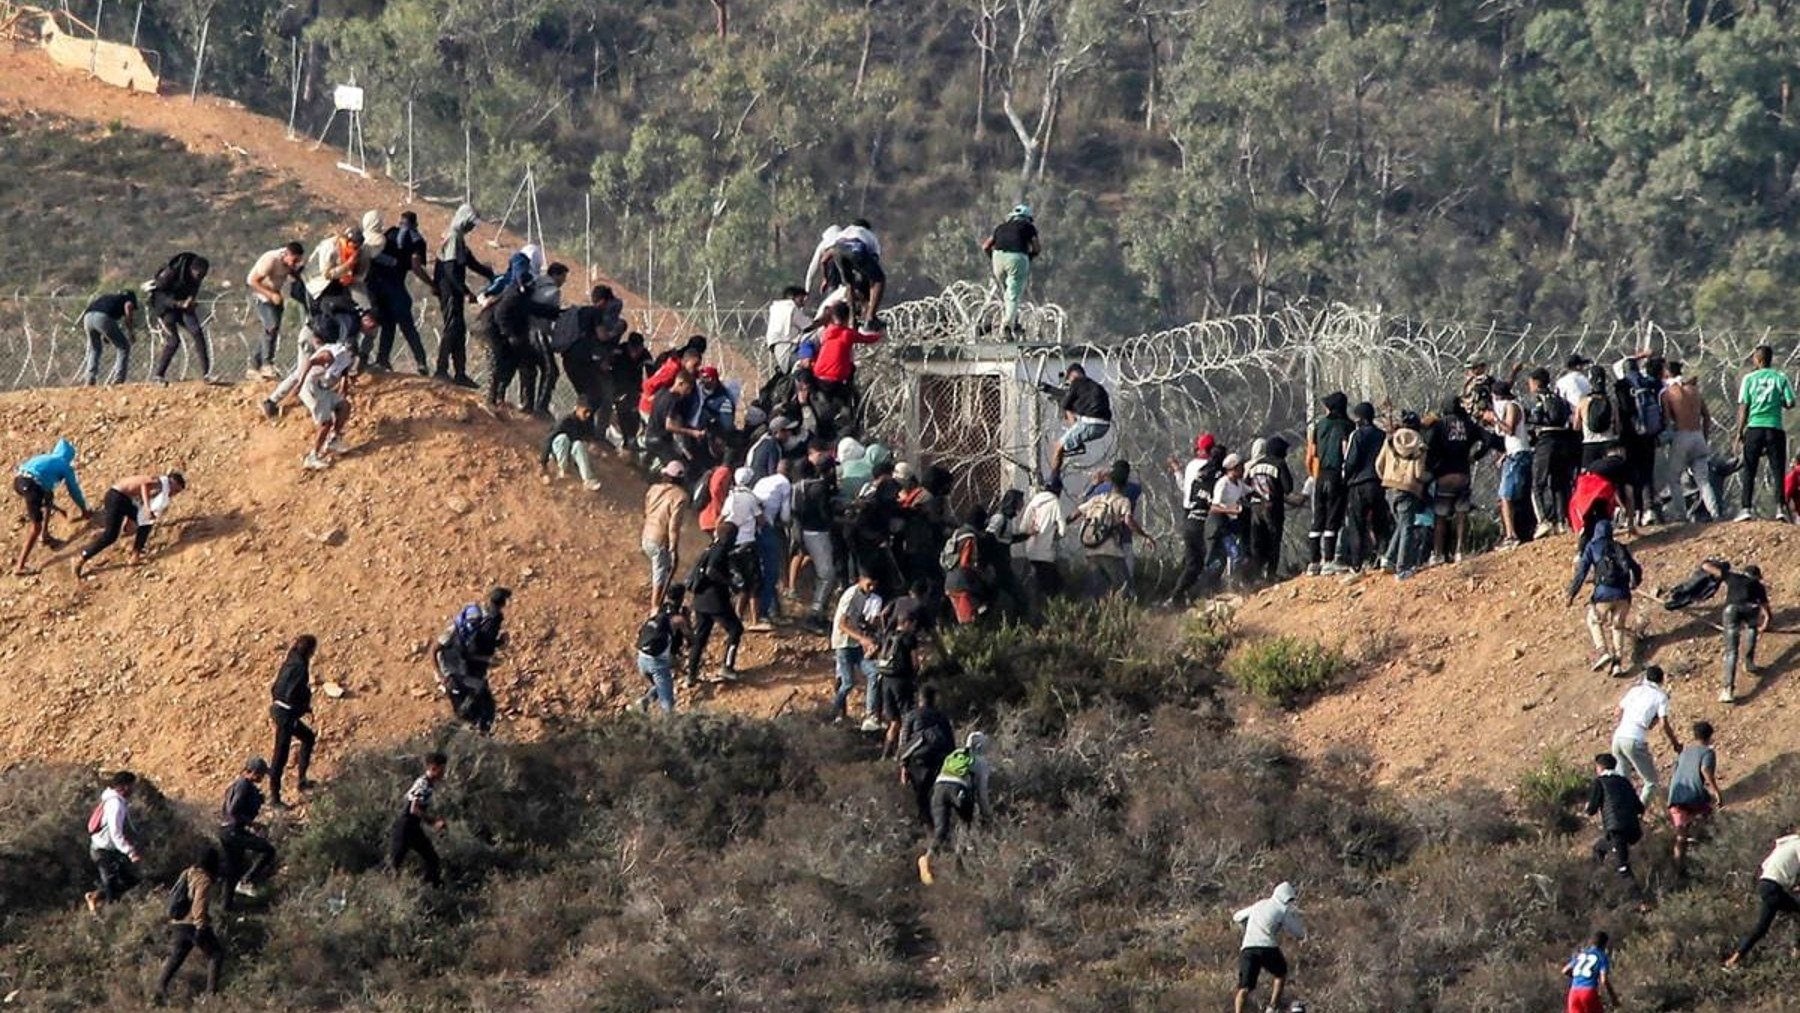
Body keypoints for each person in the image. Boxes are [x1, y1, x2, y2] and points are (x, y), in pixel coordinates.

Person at [73, 471, 185, 578]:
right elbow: (144, 486)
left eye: (177, 492)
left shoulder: (159, 488)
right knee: (110, 535)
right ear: (171, 482)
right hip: (117, 497)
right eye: (175, 490)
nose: (174, 494)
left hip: (123, 500)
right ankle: (83, 557)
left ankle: (135, 555)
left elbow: (137, 499)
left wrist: (132, 519)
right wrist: (146, 508)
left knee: (145, 523)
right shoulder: (159, 482)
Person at [1566, 519, 1640, 677]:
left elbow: (1581, 572)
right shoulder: (1620, 547)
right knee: (1617, 627)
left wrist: (1571, 593)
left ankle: (1603, 652)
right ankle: (1617, 664)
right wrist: (1635, 583)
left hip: (1603, 594)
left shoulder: (1592, 547)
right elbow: (1636, 568)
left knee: (1593, 620)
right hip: (1623, 595)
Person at [918, 732, 993, 886]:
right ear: (981, 746)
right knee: (967, 825)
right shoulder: (980, 762)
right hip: (958, 790)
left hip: (938, 789)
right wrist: (987, 815)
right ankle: (960, 867)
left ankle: (927, 858)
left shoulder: (955, 755)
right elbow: (982, 793)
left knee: (941, 830)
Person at [433, 587, 510, 735]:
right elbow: (434, 650)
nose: (474, 626)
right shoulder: (453, 633)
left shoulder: (467, 635)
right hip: (452, 675)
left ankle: (477, 734)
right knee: (470, 707)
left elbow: (468, 654)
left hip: (461, 671)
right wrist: (441, 676)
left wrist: (495, 648)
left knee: (481, 707)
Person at [432, 203, 493, 387]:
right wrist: (465, 291)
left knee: (458, 329)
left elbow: (468, 260)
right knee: (452, 327)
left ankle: (460, 372)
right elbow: (450, 269)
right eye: (471, 223)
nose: (472, 228)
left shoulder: (457, 237)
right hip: (450, 289)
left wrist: (488, 273)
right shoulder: (453, 236)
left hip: (452, 289)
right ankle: (441, 370)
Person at [153, 846, 224, 1002]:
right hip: (192, 924)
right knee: (216, 955)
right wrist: (201, 926)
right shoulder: (204, 879)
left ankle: (159, 989)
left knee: (177, 956)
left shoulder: (187, 872)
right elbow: (199, 903)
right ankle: (211, 996)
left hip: (177, 923)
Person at [368, 211, 435, 374]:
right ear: (415, 224)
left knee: (388, 324)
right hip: (395, 288)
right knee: (407, 327)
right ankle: (421, 362)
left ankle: (382, 360)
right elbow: (416, 266)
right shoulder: (417, 240)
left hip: (376, 287)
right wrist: (432, 283)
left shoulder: (390, 233)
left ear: (400, 222)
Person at [13, 437, 91, 575]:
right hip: (32, 486)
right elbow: (74, 490)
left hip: (19, 481)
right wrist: (84, 509)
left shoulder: (46, 458)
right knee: (35, 527)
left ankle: (45, 535)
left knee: (48, 496)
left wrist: (59, 510)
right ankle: (20, 566)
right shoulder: (64, 465)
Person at [1075, 460, 1153, 597]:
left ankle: (1100, 610)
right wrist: (1145, 535)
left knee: (1099, 585)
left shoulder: (1099, 491)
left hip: (1098, 541)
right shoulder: (1133, 490)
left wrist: (1096, 483)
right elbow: (1139, 489)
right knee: (1125, 583)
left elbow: (1084, 504)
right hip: (1122, 541)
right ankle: (1126, 609)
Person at [1735, 344, 1796, 521]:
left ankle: (1746, 508)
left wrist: (1739, 432)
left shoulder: (1749, 379)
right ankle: (1780, 509)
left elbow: (1744, 406)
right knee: (1778, 470)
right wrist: (1779, 402)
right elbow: (1791, 402)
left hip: (1755, 427)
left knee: (1750, 468)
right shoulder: (1780, 378)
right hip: (1775, 427)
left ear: (1759, 360)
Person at [1725, 829, 1800, 968]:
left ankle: (1733, 960)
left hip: (1765, 884)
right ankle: (1797, 950)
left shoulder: (1785, 844)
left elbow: (1765, 865)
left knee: (1761, 928)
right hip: (1774, 887)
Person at [296, 319, 364, 471]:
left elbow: (344, 380)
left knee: (345, 406)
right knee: (325, 423)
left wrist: (341, 401)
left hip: (322, 388)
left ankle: (334, 440)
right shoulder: (331, 354)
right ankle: (313, 456)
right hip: (311, 387)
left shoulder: (347, 360)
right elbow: (309, 362)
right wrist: (299, 384)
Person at [1612, 666, 1681, 807]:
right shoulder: (1661, 697)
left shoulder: (1634, 690)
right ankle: (1638, 813)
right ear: (1661, 680)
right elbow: (1664, 724)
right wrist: (1675, 743)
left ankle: (1622, 811)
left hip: (1618, 737)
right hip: (1635, 739)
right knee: (1652, 782)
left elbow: (1617, 711)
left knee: (1623, 781)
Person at [1232, 882, 1306, 1013]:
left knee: (1244, 987)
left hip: (1248, 948)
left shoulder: (1258, 905)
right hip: (1267, 947)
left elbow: (1237, 916)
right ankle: (1272, 1007)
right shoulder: (1282, 910)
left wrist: (1247, 924)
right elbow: (1299, 933)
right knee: (1280, 974)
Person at [1658, 362, 1718, 522]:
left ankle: (1681, 515)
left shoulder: (1668, 393)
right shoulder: (1695, 390)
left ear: (1666, 372)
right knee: (1703, 481)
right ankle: (1715, 513)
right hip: (1698, 436)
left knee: (1673, 478)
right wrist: (1704, 437)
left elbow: (1666, 421)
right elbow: (1706, 416)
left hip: (1681, 435)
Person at [686, 522, 745, 685]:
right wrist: (730, 583)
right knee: (736, 629)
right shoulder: (720, 550)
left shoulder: (710, 547)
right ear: (730, 537)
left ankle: (691, 674)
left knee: (701, 637)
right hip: (715, 600)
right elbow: (711, 570)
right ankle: (727, 667)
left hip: (700, 600)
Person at [1166, 434, 1222, 604]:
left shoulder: (1191, 466)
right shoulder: (1211, 469)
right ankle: (1200, 595)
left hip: (1189, 513)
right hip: (1205, 515)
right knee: (1211, 558)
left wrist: (1177, 470)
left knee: (1192, 561)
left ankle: (1178, 596)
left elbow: (1185, 487)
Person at [1427, 396, 1481, 564]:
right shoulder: (1469, 424)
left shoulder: (1440, 426)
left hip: (1445, 475)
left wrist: (1431, 469)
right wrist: (1476, 455)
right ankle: (1460, 551)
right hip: (1463, 474)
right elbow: (1488, 438)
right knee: (1461, 514)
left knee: (1440, 516)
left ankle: (1438, 553)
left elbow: (1430, 449)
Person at [148, 251, 217, 384]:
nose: (199, 279)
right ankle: (159, 375)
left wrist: (190, 301)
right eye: (197, 275)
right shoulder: (171, 273)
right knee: (174, 341)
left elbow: (193, 291)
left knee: (197, 333)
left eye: (202, 276)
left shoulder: (197, 277)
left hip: (184, 306)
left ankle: (206, 374)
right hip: (166, 307)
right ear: (192, 269)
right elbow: (159, 295)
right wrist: (178, 303)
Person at [1527, 367, 1579, 538]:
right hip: (1563, 441)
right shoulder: (1559, 398)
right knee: (1559, 483)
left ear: (1535, 382)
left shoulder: (1539, 399)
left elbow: (1536, 419)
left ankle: (1543, 521)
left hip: (1546, 442)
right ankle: (1562, 520)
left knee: (1538, 484)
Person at [1305, 391, 1352, 575]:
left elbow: (1312, 453)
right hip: (1336, 475)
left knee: (1318, 517)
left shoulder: (1320, 425)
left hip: (1320, 474)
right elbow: (1346, 450)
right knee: (1333, 517)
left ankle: (1313, 562)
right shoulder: (1347, 425)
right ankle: (1329, 560)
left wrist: (1313, 475)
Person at [217, 757, 275, 905]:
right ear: (253, 772)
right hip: (233, 830)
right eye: (261, 774)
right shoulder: (244, 785)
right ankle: (246, 881)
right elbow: (233, 810)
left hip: (225, 830)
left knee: (233, 869)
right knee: (268, 850)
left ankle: (226, 907)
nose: (262, 778)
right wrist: (254, 824)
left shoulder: (236, 785)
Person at [245, 241, 306, 380]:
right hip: (260, 295)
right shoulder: (271, 260)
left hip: (276, 296)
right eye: (294, 260)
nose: (294, 263)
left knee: (272, 329)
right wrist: (270, 295)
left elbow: (294, 273)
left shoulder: (289, 263)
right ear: (286, 254)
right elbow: (253, 281)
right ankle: (267, 364)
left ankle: (253, 365)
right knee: (271, 325)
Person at [1376, 413, 1429, 576]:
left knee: (1401, 524)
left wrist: (1386, 477)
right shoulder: (1419, 444)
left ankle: (1389, 558)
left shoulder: (1390, 440)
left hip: (1389, 487)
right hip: (1408, 488)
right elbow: (1419, 473)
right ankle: (1402, 567)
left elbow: (1378, 464)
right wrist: (1427, 478)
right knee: (1407, 527)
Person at [268, 635, 317, 808]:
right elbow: (292, 693)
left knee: (308, 738)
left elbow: (276, 689)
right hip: (286, 715)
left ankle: (302, 781)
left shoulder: (292, 658)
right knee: (280, 755)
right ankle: (274, 798)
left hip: (283, 710)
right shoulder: (299, 667)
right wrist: (303, 706)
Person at [1340, 402, 1389, 570]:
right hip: (1377, 482)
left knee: (1356, 523)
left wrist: (1345, 479)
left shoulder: (1357, 435)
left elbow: (1351, 461)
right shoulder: (1382, 435)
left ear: (1359, 418)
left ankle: (1357, 563)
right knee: (1379, 521)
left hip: (1358, 484)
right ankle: (1383, 556)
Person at [1042, 364, 1112, 480]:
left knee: (1057, 447)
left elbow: (1065, 403)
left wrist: (1053, 395)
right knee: (1073, 412)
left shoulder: (1076, 383)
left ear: (1072, 376)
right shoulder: (1096, 386)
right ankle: (1076, 443)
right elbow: (1076, 401)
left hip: (1090, 423)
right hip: (1104, 426)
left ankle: (1053, 482)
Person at [84, 771, 141, 912]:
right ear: (125, 786)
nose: (133, 789)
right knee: (112, 887)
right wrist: (131, 852)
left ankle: (95, 897)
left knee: (130, 882)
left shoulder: (115, 801)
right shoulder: (115, 804)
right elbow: (116, 833)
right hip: (103, 850)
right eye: (132, 786)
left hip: (109, 849)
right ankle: (108, 917)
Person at [1667, 720, 1721, 872]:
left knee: (1680, 837)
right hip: (1694, 796)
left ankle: (1679, 871)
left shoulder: (1684, 752)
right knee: (1709, 813)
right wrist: (1716, 792)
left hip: (1675, 797)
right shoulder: (1707, 752)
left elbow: (1675, 771)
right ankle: (1710, 845)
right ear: (1710, 736)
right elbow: (1705, 770)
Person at [830, 571, 882, 725]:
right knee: (847, 682)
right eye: (869, 584)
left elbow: (858, 620)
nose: (871, 588)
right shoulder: (852, 595)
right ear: (861, 579)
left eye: (874, 585)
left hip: (854, 643)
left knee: (874, 673)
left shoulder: (863, 595)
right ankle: (835, 710)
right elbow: (842, 624)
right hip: (844, 643)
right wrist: (863, 639)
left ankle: (870, 714)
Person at [389, 751, 448, 887]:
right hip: (405, 827)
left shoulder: (428, 784)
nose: (443, 773)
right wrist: (433, 822)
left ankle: (431, 888)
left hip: (413, 827)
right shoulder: (423, 784)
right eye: (442, 769)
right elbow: (414, 809)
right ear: (433, 768)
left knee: (432, 858)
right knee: (395, 864)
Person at [897, 684, 954, 823]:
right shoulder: (942, 717)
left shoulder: (911, 716)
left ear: (920, 699)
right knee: (938, 795)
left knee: (921, 796)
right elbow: (951, 744)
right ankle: (940, 824)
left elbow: (904, 743)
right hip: (939, 761)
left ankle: (926, 824)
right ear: (934, 699)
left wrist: (903, 767)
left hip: (918, 761)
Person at [1245, 437, 1298, 583]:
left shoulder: (1255, 465)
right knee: (1274, 541)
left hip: (1255, 508)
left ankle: (1255, 577)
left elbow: (1246, 486)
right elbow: (1288, 487)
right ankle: (1271, 574)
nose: (1286, 454)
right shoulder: (1279, 464)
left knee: (1257, 542)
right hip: (1272, 508)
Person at [983, 203, 1040, 335]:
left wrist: (994, 258)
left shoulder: (1001, 227)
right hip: (1017, 258)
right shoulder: (1028, 227)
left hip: (997, 258)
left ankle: (1010, 319)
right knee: (1013, 295)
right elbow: (1037, 248)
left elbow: (986, 246)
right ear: (1028, 218)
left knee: (1007, 295)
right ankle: (1008, 326)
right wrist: (1029, 258)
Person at [1719, 562, 1771, 704]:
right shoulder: (1758, 586)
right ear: (1756, 576)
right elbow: (1766, 611)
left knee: (1731, 652)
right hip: (1749, 609)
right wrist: (1765, 624)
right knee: (1752, 628)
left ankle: (1727, 690)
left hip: (1731, 610)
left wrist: (1718, 565)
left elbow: (1709, 568)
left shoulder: (1734, 577)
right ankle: (1749, 663)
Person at [1586, 752, 1645, 878]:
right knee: (1601, 848)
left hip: (1616, 831)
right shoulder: (1625, 782)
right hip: (1633, 829)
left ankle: (1634, 894)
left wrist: (1588, 806)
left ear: (1600, 767)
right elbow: (1640, 807)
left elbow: (1591, 809)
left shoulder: (1599, 782)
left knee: (1622, 867)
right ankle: (1602, 879)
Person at [636, 583, 691, 714]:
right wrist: (687, 619)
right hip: (657, 662)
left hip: (642, 658)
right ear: (682, 598)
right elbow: (691, 638)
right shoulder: (678, 618)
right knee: (667, 703)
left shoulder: (656, 609)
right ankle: (668, 728)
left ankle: (645, 700)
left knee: (661, 685)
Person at [877, 611, 923, 758]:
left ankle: (885, 755)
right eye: (913, 624)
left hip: (886, 682)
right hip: (902, 682)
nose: (914, 627)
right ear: (907, 623)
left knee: (894, 722)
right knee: (906, 719)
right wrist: (917, 676)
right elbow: (915, 662)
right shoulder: (909, 638)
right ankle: (902, 754)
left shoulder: (888, 636)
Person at [1491, 380, 1532, 547]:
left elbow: (1510, 429)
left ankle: (1511, 535)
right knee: (1515, 496)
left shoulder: (1511, 406)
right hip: (1514, 453)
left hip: (1518, 454)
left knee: (1505, 496)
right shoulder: (1510, 405)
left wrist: (1494, 419)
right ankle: (1520, 532)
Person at [642, 460, 687, 611]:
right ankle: (655, 607)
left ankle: (657, 595)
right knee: (661, 570)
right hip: (660, 539)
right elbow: (673, 526)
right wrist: (673, 548)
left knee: (662, 567)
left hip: (647, 535)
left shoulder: (654, 489)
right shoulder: (680, 496)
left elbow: (647, 510)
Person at [753, 460, 794, 624]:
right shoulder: (785, 484)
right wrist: (788, 524)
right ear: (789, 472)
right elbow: (785, 515)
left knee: (759, 569)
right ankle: (765, 612)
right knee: (771, 571)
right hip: (766, 527)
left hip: (751, 528)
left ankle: (769, 610)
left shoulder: (763, 480)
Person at [1203, 453, 1249, 587]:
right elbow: (1214, 507)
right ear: (1232, 469)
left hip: (1232, 524)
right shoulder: (1223, 484)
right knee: (1233, 553)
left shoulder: (1239, 484)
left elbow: (1249, 491)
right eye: (1240, 468)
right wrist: (1231, 510)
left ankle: (1232, 581)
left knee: (1238, 553)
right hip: (1221, 525)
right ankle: (1227, 583)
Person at [80, 289, 138, 385]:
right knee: (123, 347)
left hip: (87, 318)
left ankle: (90, 378)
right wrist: (131, 332)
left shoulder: (109, 297)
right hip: (102, 318)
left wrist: (104, 333)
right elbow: (128, 307)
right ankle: (119, 379)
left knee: (95, 349)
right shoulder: (127, 300)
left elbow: (103, 313)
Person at [1020, 477, 1066, 601]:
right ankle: (1048, 614)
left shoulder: (1034, 501)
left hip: (1030, 552)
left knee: (1033, 586)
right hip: (1046, 554)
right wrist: (1055, 536)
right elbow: (1063, 529)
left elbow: (1023, 527)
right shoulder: (1055, 502)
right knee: (1053, 588)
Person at [541, 403, 605, 491]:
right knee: (563, 438)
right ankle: (562, 468)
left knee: (578, 444)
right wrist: (543, 461)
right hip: (558, 452)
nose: (588, 415)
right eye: (585, 411)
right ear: (577, 409)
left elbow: (590, 440)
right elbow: (549, 438)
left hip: (571, 455)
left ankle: (588, 480)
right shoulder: (565, 421)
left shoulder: (587, 424)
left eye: (589, 412)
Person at [1561, 931, 1620, 1013]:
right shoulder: (1602, 956)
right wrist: (1613, 998)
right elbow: (1604, 980)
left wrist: (1578, 976)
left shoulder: (1582, 954)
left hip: (1574, 993)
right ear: (1604, 944)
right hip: (1588, 992)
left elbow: (1565, 970)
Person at [764, 285, 812, 374]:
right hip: (788, 350)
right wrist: (824, 319)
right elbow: (809, 325)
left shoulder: (776, 308)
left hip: (780, 349)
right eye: (801, 299)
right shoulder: (791, 308)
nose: (802, 304)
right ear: (792, 298)